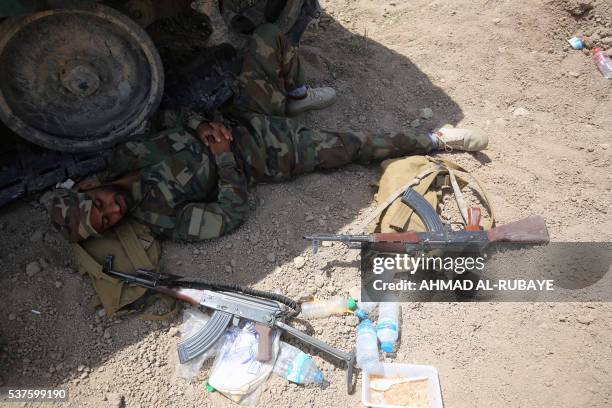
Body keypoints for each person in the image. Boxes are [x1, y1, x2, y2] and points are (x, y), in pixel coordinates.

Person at [48, 24, 488, 243]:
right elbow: (229, 214)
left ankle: (292, 94)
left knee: (268, 37)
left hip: (241, 116)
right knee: (357, 145)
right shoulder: (160, 218)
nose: (112, 210)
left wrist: (201, 125)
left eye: (99, 204)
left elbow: (168, 117)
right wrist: (223, 157)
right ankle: (437, 139)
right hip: (266, 154)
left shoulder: (126, 154)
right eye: (106, 221)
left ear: (91, 186)